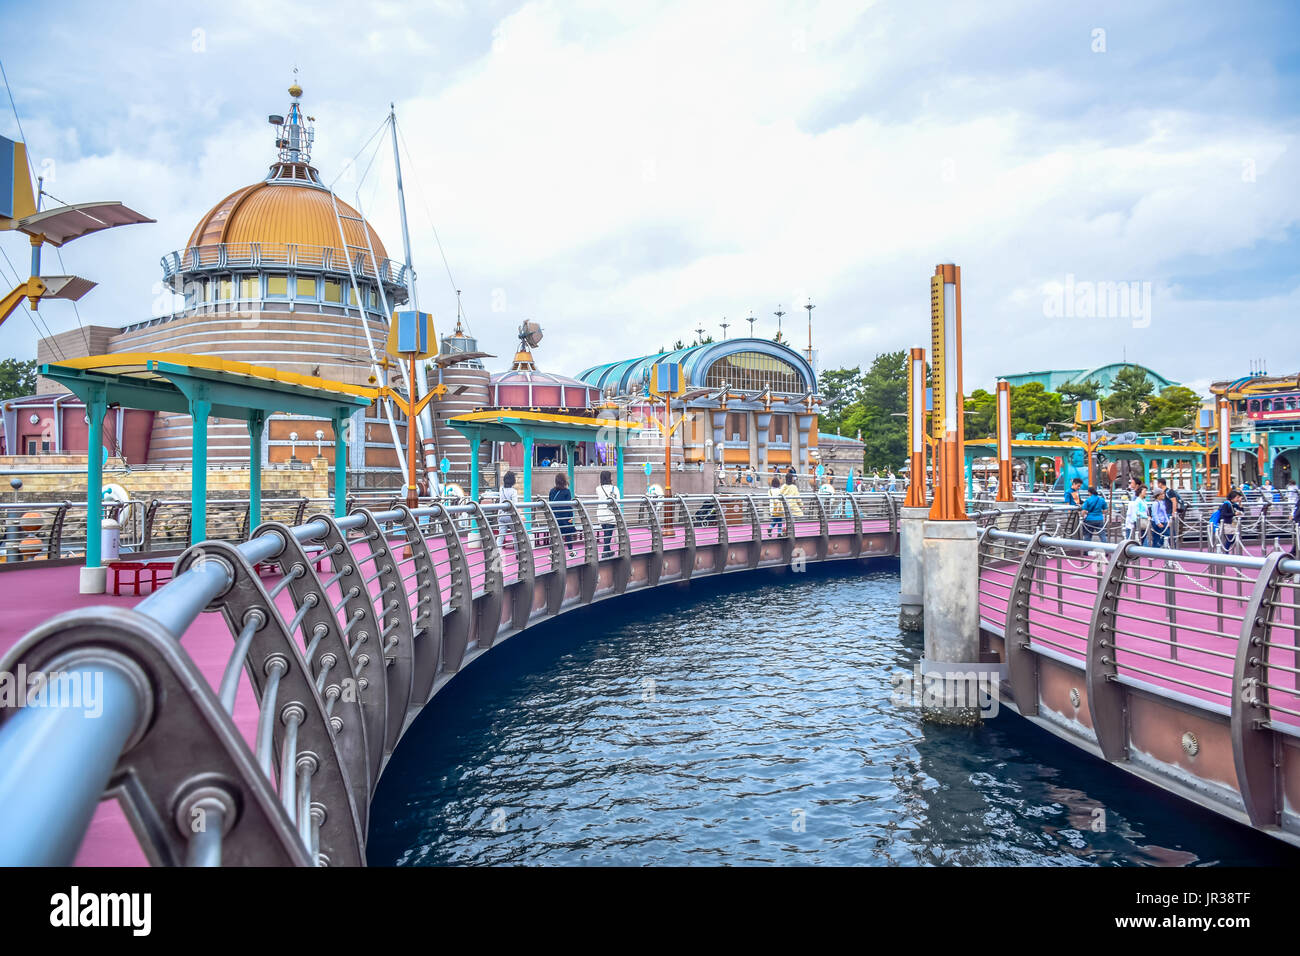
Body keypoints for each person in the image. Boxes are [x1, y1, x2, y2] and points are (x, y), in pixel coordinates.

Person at [593, 470, 620, 557]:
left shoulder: (598, 488)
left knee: (606, 533)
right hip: (611, 514)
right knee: (608, 534)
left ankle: (608, 551)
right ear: (610, 477)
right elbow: (618, 500)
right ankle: (605, 552)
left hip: (601, 514)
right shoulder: (615, 489)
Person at [549, 473, 576, 557]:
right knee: (568, 534)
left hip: (554, 517)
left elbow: (550, 503)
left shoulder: (552, 491)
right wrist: (571, 518)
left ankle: (551, 553)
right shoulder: (567, 491)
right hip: (564, 517)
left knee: (554, 534)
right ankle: (571, 551)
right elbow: (568, 506)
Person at [497, 471, 518, 546]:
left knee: (501, 535)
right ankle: (517, 553)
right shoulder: (514, 491)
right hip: (511, 516)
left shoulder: (501, 489)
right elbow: (514, 504)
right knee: (515, 535)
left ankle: (497, 554)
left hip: (501, 514)